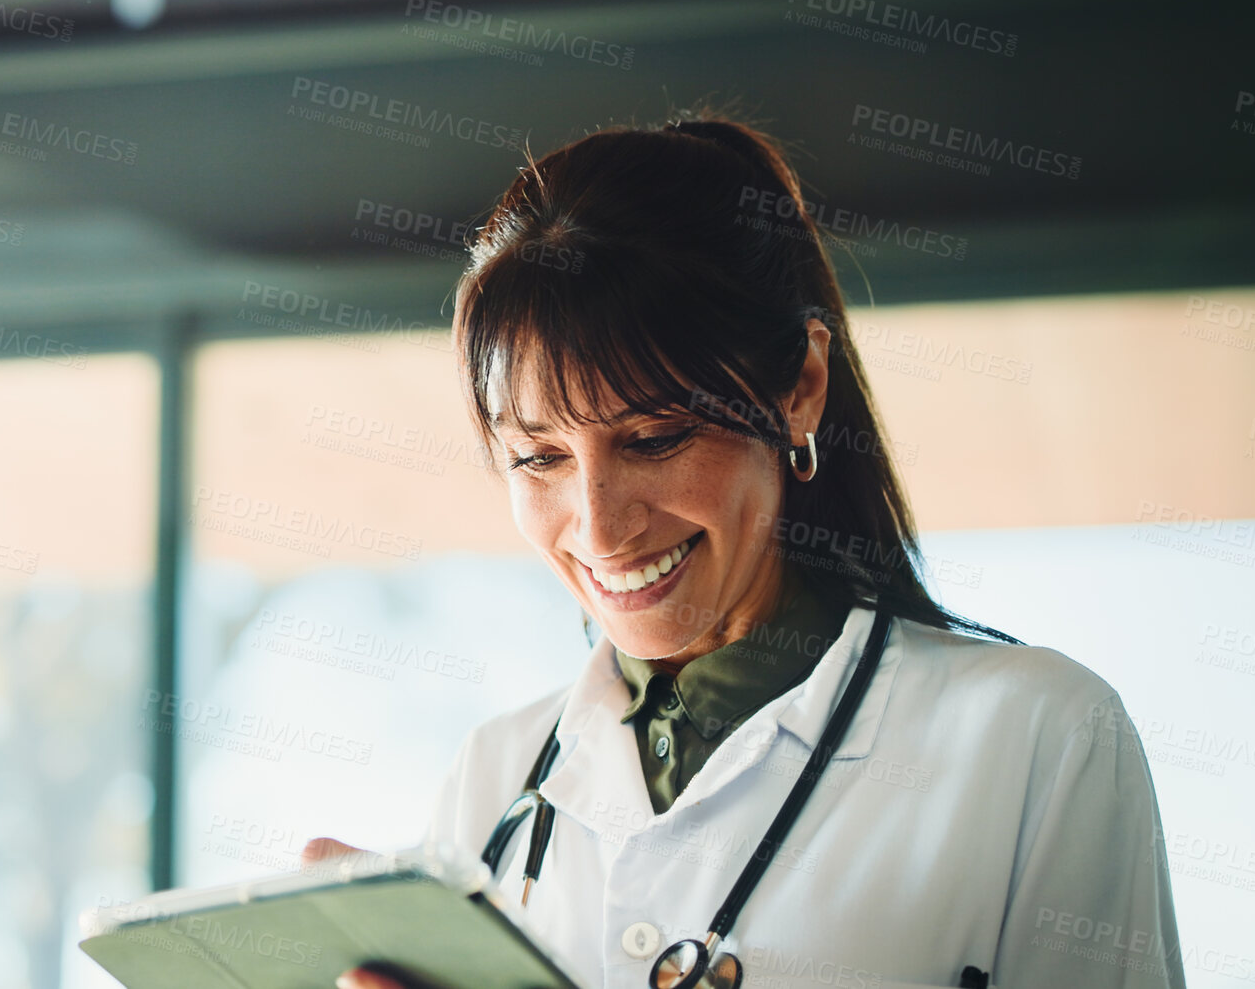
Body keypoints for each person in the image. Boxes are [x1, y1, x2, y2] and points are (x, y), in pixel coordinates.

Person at [304, 112, 1184, 989]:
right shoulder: (492, 778)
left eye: (652, 437)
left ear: (799, 387)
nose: (600, 527)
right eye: (539, 457)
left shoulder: (1040, 738)